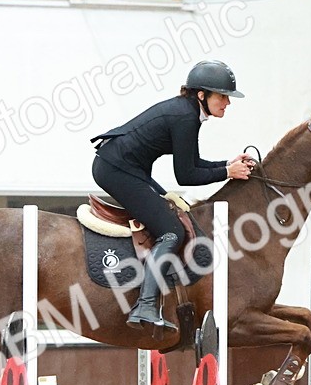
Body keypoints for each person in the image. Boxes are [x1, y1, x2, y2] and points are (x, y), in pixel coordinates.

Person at [91, 59, 255, 331]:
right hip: (117, 170)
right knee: (172, 232)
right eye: (222, 96)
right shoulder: (185, 118)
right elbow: (186, 176)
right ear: (201, 95)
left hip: (125, 168)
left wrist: (228, 164)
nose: (227, 103)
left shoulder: (187, 112)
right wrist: (228, 172)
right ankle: (144, 306)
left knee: (171, 218)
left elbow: (193, 163)